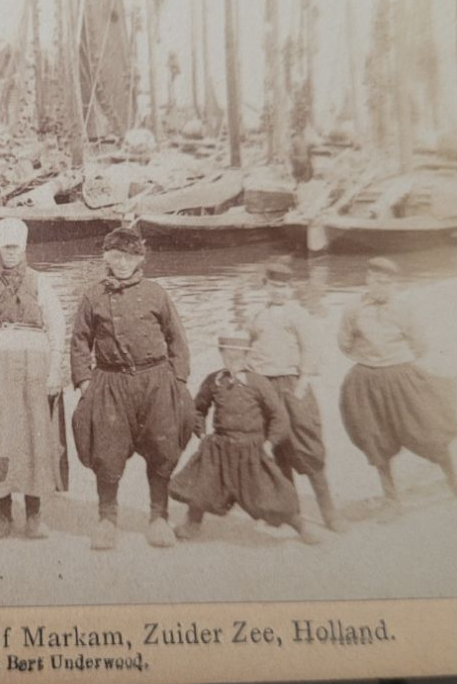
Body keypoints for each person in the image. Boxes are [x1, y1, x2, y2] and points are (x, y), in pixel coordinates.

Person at [69, 226, 195, 550]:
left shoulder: (156, 293)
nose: (122, 263)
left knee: (162, 449)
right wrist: (85, 383)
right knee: (107, 452)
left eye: (129, 257)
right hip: (110, 382)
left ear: (140, 258)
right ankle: (107, 520)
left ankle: (159, 518)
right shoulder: (93, 295)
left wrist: (178, 381)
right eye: (115, 256)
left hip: (156, 380)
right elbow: (80, 341)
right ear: (106, 258)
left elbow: (177, 339)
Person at [338, 257, 457, 518]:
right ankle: (391, 500)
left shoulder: (404, 308)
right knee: (375, 438)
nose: (382, 285)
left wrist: (394, 363)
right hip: (366, 380)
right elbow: (344, 343)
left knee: (428, 428)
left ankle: (454, 480)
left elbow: (420, 345)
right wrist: (370, 361)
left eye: (388, 282)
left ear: (394, 283)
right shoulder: (353, 309)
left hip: (401, 375)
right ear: (367, 279)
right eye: (377, 280)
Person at [0, 216, 66, 540]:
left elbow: (57, 326)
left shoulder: (39, 282)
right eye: (5, 248)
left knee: (33, 436)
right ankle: (3, 514)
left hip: (33, 369)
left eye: (15, 248)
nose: (10, 254)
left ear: (24, 248)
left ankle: (34, 515)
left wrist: (54, 370)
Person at [170, 333, 319, 545]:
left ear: (247, 356)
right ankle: (192, 524)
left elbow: (279, 416)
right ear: (221, 354)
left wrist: (269, 443)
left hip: (252, 448)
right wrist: (202, 434)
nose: (233, 360)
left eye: (239, 356)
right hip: (220, 446)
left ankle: (301, 527)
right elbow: (198, 409)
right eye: (228, 355)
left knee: (267, 492)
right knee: (202, 484)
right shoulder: (213, 381)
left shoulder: (258, 383)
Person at [247, 261, 343, 532]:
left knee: (306, 445)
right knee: (277, 450)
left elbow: (312, 350)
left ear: (291, 288)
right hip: (265, 387)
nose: (279, 292)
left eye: (284, 287)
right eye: (274, 286)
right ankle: (291, 511)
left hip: (291, 385)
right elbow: (251, 349)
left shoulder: (298, 314)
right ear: (265, 286)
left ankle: (329, 513)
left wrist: (301, 386)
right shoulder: (257, 315)